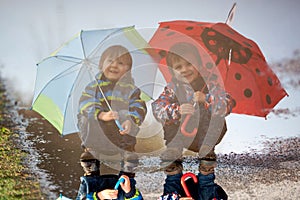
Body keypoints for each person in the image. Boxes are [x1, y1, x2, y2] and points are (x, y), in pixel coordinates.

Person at [152, 42, 233, 199]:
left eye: (189, 64)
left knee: (213, 119)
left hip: (204, 136)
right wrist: (177, 110)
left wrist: (207, 99)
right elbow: (158, 108)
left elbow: (227, 103)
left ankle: (206, 174)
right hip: (181, 136)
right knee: (171, 152)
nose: (184, 69)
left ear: (199, 65)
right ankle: (173, 179)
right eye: (178, 67)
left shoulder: (210, 84)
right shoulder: (172, 88)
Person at [78, 45, 147, 176]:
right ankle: (91, 154)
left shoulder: (131, 89)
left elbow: (139, 105)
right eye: (110, 61)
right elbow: (85, 103)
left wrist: (130, 120)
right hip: (98, 133)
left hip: (120, 134)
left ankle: (128, 155)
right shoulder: (94, 87)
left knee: (123, 113)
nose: (114, 65)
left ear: (128, 69)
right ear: (101, 65)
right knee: (85, 116)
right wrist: (101, 115)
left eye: (120, 63)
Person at [76, 150, 143, 200]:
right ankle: (128, 170)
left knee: (86, 192)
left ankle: (91, 170)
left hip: (95, 193)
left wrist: (99, 196)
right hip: (122, 192)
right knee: (127, 184)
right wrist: (129, 193)